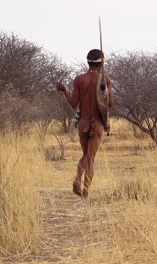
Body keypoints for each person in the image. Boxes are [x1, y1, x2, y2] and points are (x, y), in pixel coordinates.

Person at [56, 49, 113, 198]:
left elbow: (73, 103)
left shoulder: (79, 79)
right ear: (102, 63)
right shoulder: (105, 79)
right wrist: (105, 90)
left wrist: (63, 90)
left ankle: (77, 178)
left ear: (88, 62)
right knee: (91, 157)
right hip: (98, 124)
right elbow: (110, 103)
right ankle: (86, 190)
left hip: (83, 123)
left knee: (85, 155)